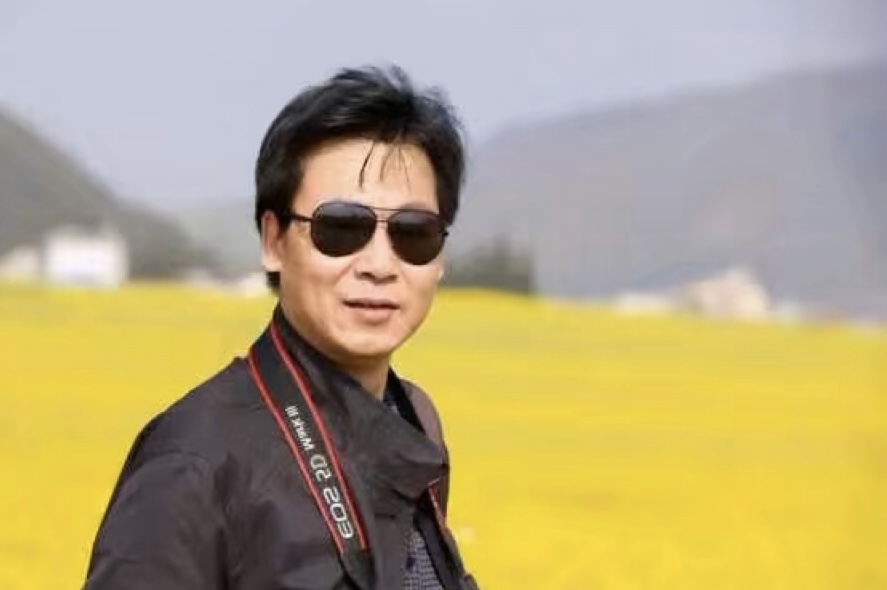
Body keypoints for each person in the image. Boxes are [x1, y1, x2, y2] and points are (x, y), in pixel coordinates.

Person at [82, 64, 479, 590]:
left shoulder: (415, 422)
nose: (380, 265)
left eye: (413, 233)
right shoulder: (193, 462)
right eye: (342, 228)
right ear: (273, 241)